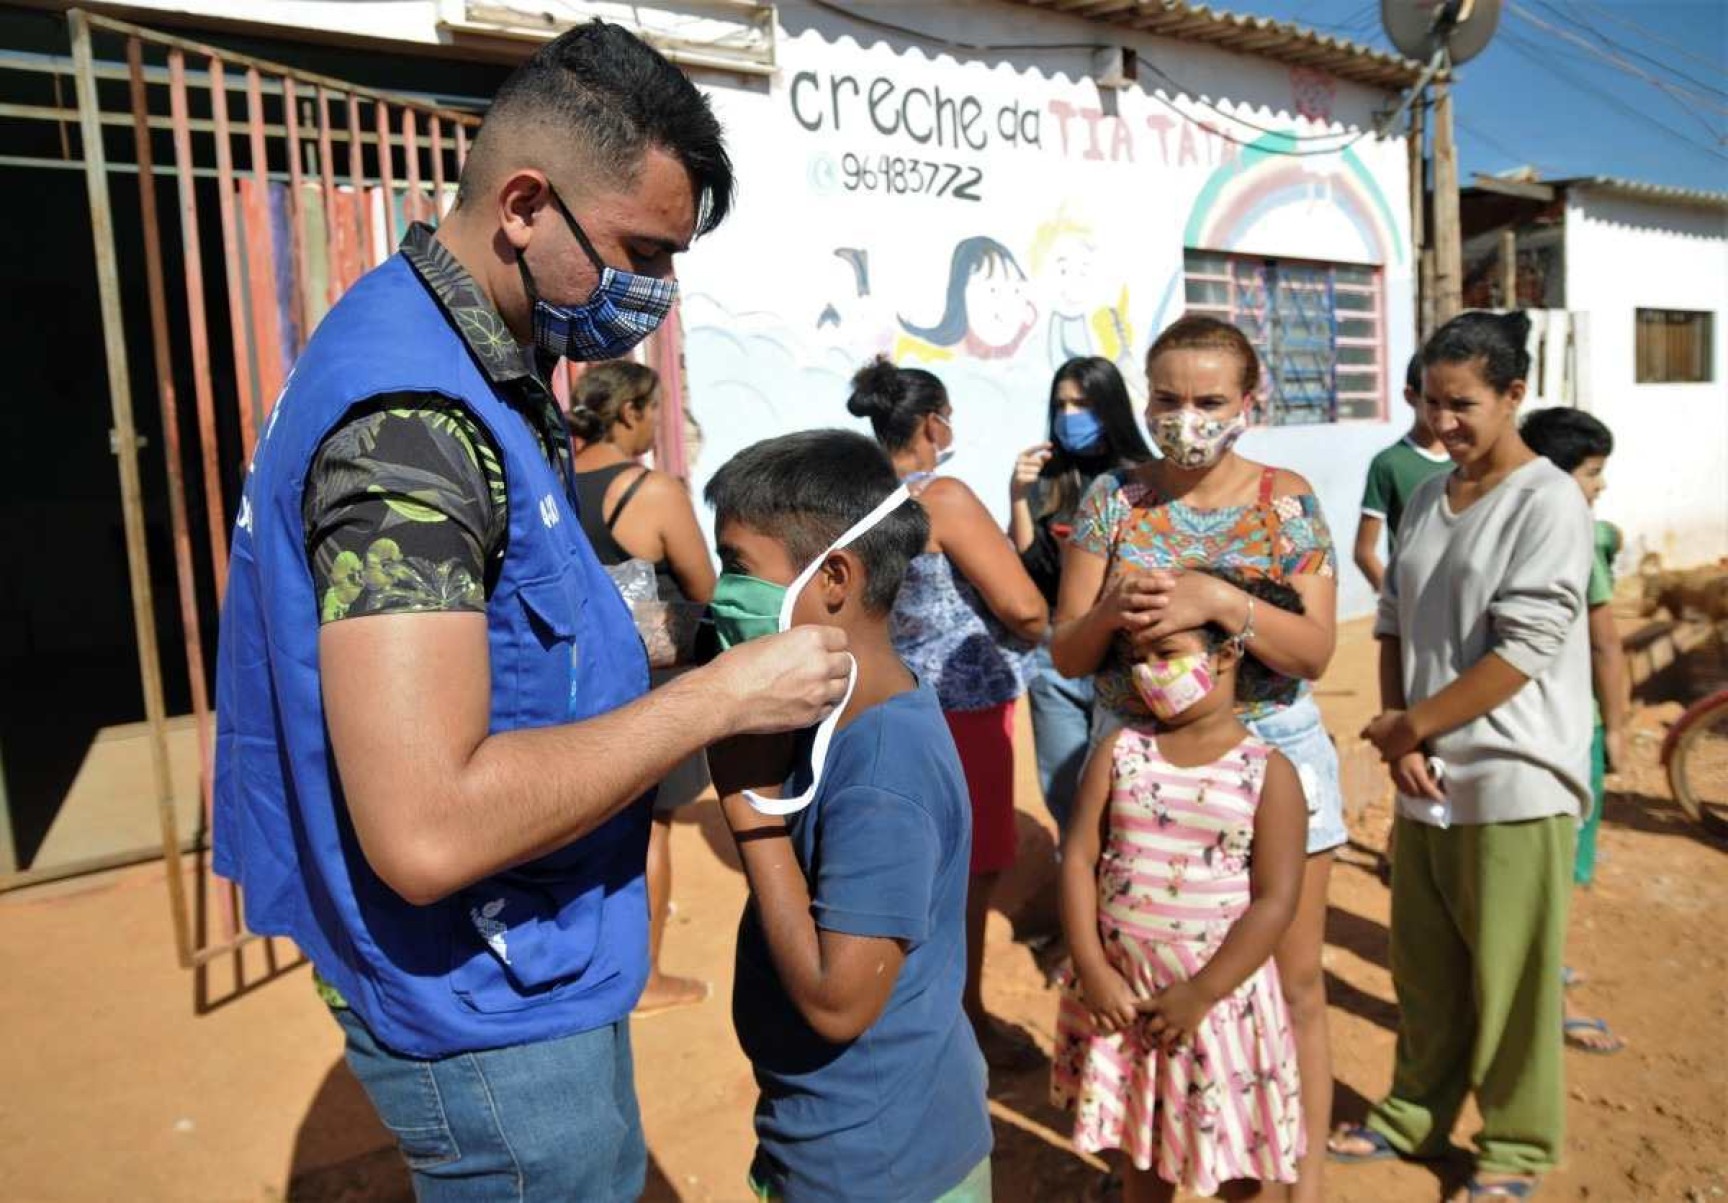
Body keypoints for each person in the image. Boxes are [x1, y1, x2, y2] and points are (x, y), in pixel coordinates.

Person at [211, 24, 853, 1201]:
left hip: (518, 955)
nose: (652, 293)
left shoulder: (457, 348)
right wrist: (721, 694)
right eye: (639, 251)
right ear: (522, 204)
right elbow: (428, 829)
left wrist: (641, 632)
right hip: (487, 1009)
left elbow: (485, 614)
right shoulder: (410, 425)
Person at [1051, 314, 1343, 1203]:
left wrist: (1223, 599)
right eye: (1170, 398)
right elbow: (1066, 651)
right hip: (1134, 770)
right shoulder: (1115, 501)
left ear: (1249, 403)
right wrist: (1111, 613)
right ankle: (1149, 1153)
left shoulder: (1283, 499)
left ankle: (1296, 1178)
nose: (1189, 416)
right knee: (1138, 974)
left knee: (1289, 984)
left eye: (1211, 400)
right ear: (1147, 398)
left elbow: (1316, 650)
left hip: (1267, 765)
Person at [1329, 311, 1592, 1203]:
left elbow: (1523, 649)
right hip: (1425, 772)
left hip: (1515, 774)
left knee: (1512, 978)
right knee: (1425, 966)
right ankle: (1415, 1111)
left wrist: (1413, 727)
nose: (1442, 421)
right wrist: (1404, 726)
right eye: (1430, 402)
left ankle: (1515, 1146)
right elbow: (1396, 620)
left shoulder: (1547, 500)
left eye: (1464, 403)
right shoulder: (1434, 495)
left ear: (1515, 395)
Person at [702, 429, 992, 1203]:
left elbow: (839, 1000)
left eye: (738, 566)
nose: (723, 591)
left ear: (833, 577)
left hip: (878, 1164)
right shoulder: (837, 719)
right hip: (844, 1136)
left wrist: (748, 808)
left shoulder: (880, 770)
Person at [1053, 572, 1310, 1201]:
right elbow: (1081, 856)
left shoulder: (1268, 774)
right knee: (1141, 1144)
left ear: (1227, 655)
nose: (1148, 673)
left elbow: (1276, 901)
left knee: (1243, 1160)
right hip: (1125, 999)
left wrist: (1201, 993)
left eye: (1166, 655)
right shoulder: (1120, 751)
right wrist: (1092, 966)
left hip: (1217, 1010)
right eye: (1137, 659)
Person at [848, 356, 1050, 1070]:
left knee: (914, 861)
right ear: (934, 422)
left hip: (886, 699)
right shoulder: (944, 496)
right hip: (965, 705)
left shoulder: (852, 492)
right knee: (971, 866)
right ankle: (961, 1020)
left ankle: (909, 1010)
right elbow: (1021, 604)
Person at [571, 360, 717, 1015]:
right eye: (654, 410)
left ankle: (586, 963)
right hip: (648, 683)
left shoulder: (554, 482)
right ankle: (646, 978)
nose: (657, 423)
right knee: (650, 829)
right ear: (629, 411)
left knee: (583, 824)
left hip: (572, 681)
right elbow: (704, 587)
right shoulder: (651, 492)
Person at [1521, 405, 1628, 1057]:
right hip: (1567, 730)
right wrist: (1616, 727)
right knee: (1555, 876)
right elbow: (1607, 645)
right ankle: (1549, 1000)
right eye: (1593, 472)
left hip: (1524, 729)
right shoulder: (1578, 533)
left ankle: (1543, 975)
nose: (1601, 485)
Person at [1009, 356, 1153, 834]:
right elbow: (1027, 568)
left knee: (1131, 787)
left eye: (1084, 403)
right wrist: (1017, 496)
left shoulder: (1145, 479)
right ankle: (1077, 888)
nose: (1070, 415)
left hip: (1129, 654)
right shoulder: (1048, 481)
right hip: (1056, 655)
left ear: (1109, 408)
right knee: (1065, 788)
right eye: (1061, 404)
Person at [1354, 353, 1453, 594]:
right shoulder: (1389, 463)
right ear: (1410, 396)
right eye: (1433, 402)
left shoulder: (1469, 460)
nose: (1445, 415)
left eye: (1455, 403)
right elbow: (1364, 552)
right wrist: (1396, 604)